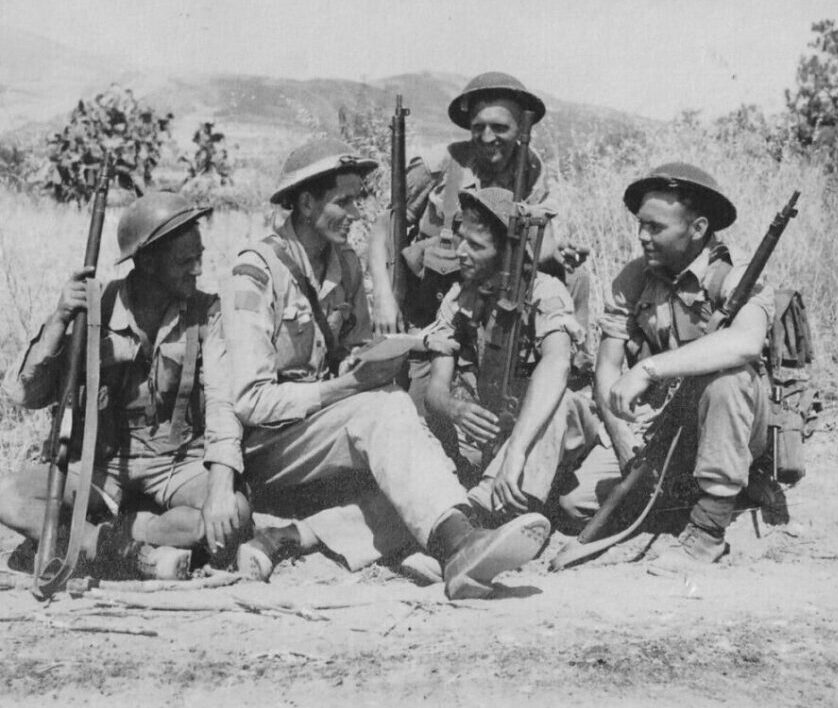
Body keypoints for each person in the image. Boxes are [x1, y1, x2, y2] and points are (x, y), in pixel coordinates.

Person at [222, 138, 550, 600]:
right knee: (388, 414)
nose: (356, 213)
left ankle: (298, 537)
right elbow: (250, 401)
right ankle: (457, 543)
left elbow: (354, 355)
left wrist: (383, 357)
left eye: (359, 199)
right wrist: (347, 387)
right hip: (268, 445)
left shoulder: (347, 265)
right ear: (305, 201)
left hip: (320, 433)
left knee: (414, 464)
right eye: (344, 201)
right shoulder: (255, 271)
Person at [0, 192, 251, 579]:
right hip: (100, 467)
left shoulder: (208, 312)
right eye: (186, 260)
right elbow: (25, 394)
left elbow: (222, 402)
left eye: (198, 256)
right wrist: (60, 318)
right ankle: (128, 552)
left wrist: (221, 483)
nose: (198, 269)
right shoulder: (94, 311)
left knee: (232, 513)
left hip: (178, 465)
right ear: (148, 261)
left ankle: (117, 540)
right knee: (9, 498)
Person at [367, 71, 593, 411]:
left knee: (576, 278)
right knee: (424, 408)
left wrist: (560, 253)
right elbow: (385, 226)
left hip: (490, 307)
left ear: (520, 128)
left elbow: (540, 243)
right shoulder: (441, 163)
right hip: (434, 311)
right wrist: (384, 296)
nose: (488, 137)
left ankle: (574, 368)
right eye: (479, 127)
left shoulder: (530, 169)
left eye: (500, 128)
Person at [594, 163, 773, 570]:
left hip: (735, 423)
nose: (642, 236)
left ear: (697, 228)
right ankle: (685, 495)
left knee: (727, 380)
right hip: (662, 426)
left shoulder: (737, 274)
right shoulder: (634, 277)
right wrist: (621, 435)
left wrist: (648, 369)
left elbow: (745, 343)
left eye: (655, 228)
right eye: (641, 225)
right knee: (578, 502)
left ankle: (708, 532)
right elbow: (606, 366)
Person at [424, 187, 602, 522]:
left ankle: (477, 518)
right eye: (463, 239)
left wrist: (516, 450)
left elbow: (556, 366)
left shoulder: (545, 292)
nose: (461, 252)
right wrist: (453, 407)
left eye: (476, 246)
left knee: (559, 403)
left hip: (558, 432)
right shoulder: (459, 297)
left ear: (507, 253)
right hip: (497, 429)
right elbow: (435, 389)